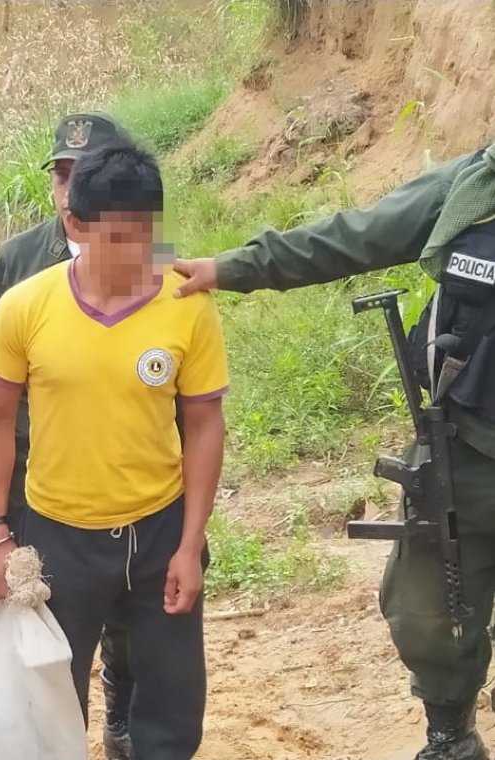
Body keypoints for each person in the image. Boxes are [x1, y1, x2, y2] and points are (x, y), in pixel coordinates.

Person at [172, 140, 495, 760]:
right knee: (426, 608)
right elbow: (357, 235)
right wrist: (234, 267)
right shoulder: (476, 188)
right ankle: (450, 734)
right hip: (466, 449)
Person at [0, 142, 227, 760]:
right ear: (74, 224)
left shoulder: (186, 304)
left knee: (172, 711)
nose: (133, 252)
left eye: (144, 234)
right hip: (60, 537)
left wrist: (190, 544)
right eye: (114, 237)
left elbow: (204, 426)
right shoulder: (26, 306)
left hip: (158, 532)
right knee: (48, 706)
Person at [0, 111, 142, 760]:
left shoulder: (154, 266)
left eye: (84, 175)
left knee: (129, 614)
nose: (70, 191)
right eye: (62, 175)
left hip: (127, 473)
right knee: (50, 615)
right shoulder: (18, 260)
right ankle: (56, 737)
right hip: (37, 476)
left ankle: (122, 718)